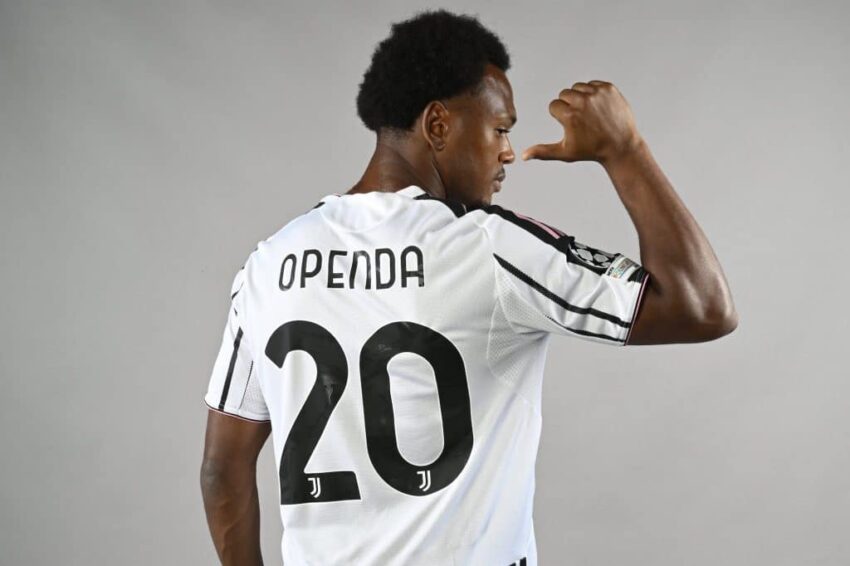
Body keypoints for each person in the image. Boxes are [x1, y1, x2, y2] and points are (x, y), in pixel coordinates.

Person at [200, 9, 737, 566]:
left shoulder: (268, 264)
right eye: (500, 129)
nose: (508, 151)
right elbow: (701, 306)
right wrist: (624, 149)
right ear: (438, 125)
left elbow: (222, 469)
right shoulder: (489, 247)